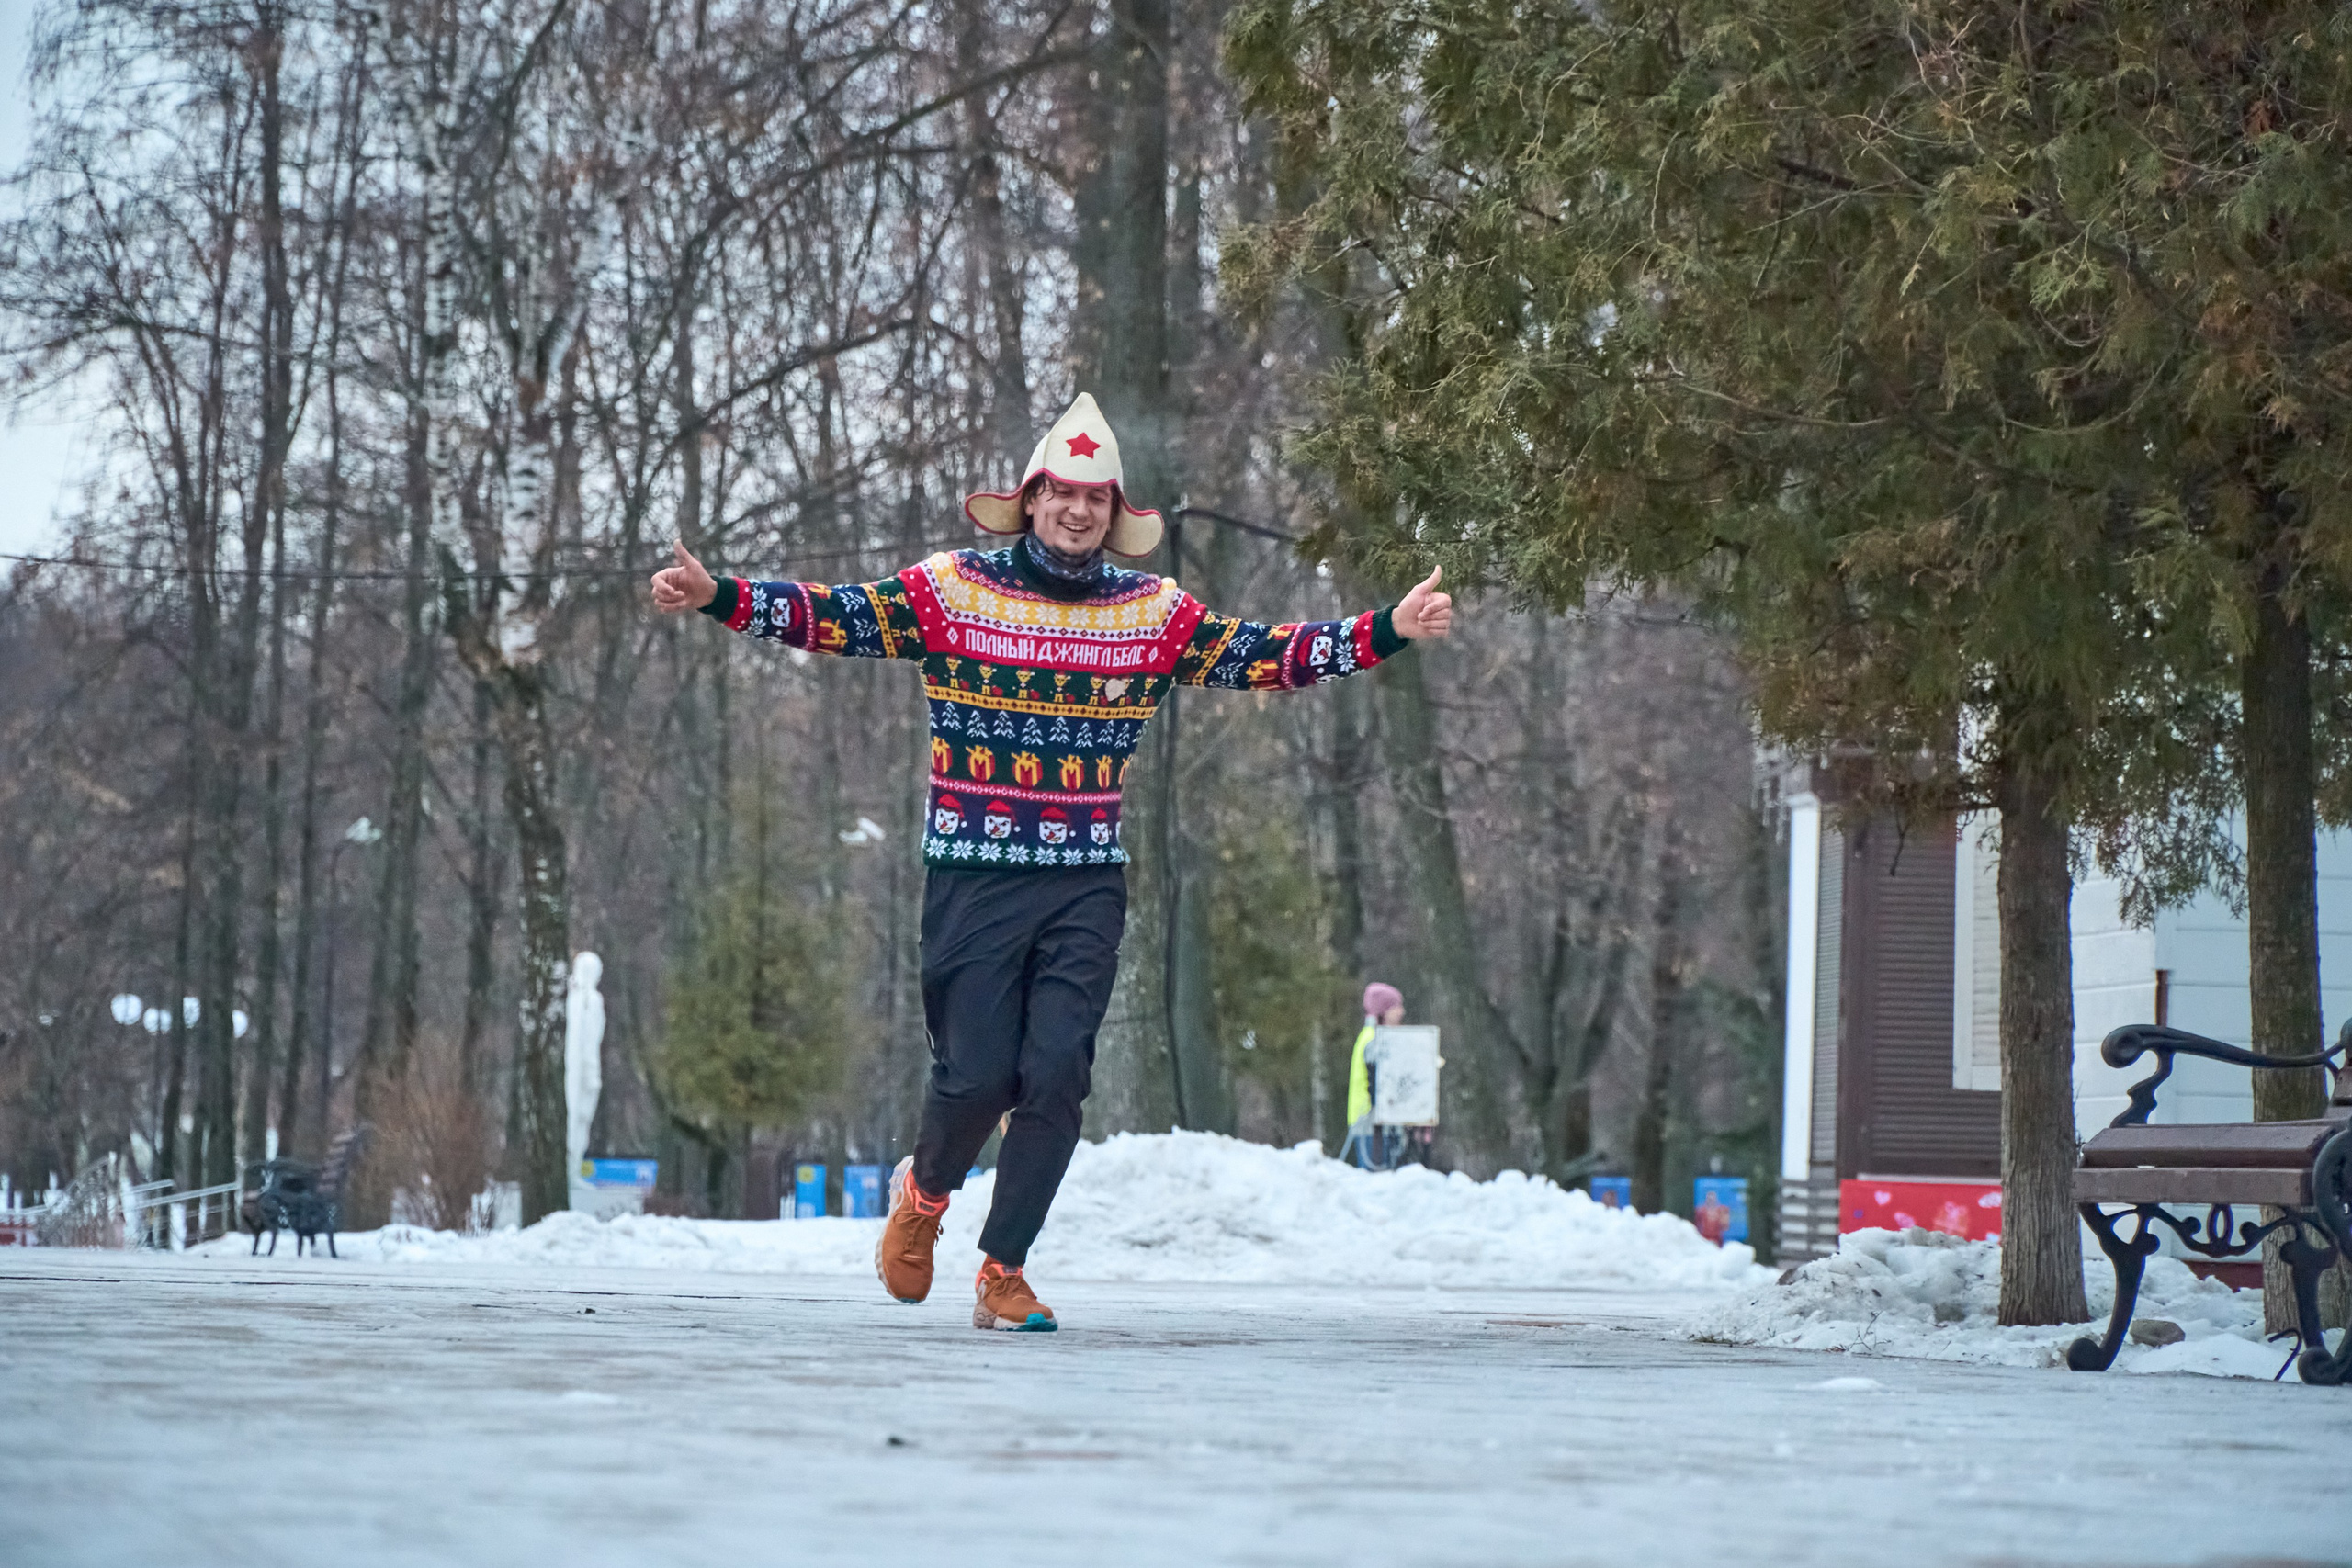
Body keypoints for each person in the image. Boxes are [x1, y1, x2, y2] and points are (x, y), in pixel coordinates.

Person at [650, 392, 1454, 1331]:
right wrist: (719, 598)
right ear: (1030, 500)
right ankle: (925, 1196)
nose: (1078, 511)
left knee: (1056, 1076)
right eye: (1062, 493)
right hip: (974, 870)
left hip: (1084, 877)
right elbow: (837, 617)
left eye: (1096, 498)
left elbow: (1262, 656)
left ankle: (1004, 1269)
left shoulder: (1152, 613)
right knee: (977, 1076)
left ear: (1116, 516)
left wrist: (1385, 629)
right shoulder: (951, 591)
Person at [1343, 982, 1406, 1169]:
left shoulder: (1372, 1036)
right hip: (1371, 1124)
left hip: (1373, 1124)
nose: (1402, 1012)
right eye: (1396, 1007)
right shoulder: (1375, 1040)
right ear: (1383, 1011)